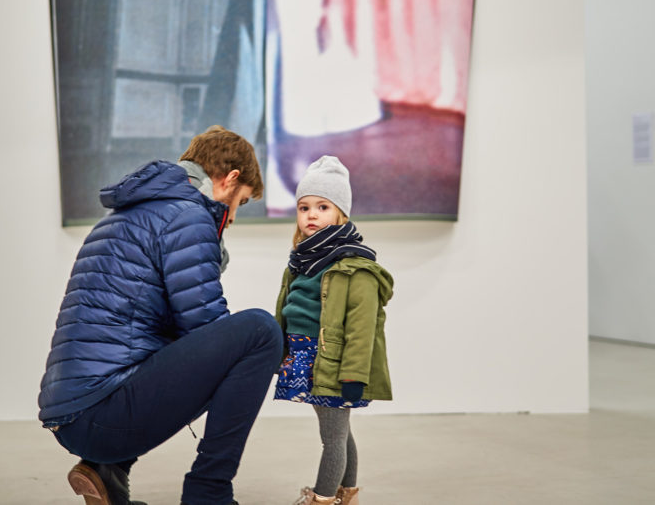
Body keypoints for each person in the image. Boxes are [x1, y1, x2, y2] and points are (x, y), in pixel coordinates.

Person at [38, 125, 283, 505]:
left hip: (73, 414)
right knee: (262, 332)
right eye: (242, 201)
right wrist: (275, 359)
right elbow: (204, 326)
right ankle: (209, 492)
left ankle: (107, 471)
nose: (233, 216)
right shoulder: (187, 215)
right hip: (101, 413)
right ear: (230, 179)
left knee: (174, 341)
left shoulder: (131, 214)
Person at [272, 156, 394, 505]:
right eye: (304, 207)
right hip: (304, 357)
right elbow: (286, 311)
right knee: (340, 432)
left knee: (332, 438)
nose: (311, 214)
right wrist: (279, 352)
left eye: (323, 207)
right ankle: (347, 493)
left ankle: (322, 498)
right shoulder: (300, 261)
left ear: (342, 214)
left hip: (333, 362)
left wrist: (353, 375)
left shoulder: (356, 269)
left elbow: (361, 329)